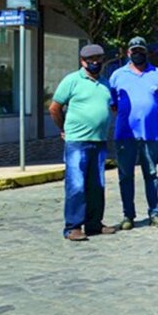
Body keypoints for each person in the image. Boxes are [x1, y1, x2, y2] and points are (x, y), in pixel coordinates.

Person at [49, 43, 117, 241]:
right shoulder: (72, 80)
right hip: (77, 142)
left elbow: (110, 107)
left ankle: (94, 223)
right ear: (82, 61)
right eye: (91, 59)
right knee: (76, 185)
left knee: (97, 185)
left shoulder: (105, 83)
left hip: (99, 142)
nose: (95, 62)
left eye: (98, 59)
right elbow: (55, 108)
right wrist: (64, 129)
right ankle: (72, 227)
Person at [109, 36, 158, 230]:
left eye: (141, 51)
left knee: (151, 175)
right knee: (125, 176)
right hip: (125, 135)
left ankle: (154, 213)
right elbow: (114, 105)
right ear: (128, 53)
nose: (137, 54)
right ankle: (128, 216)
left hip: (151, 134)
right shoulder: (117, 75)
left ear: (147, 52)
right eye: (134, 51)